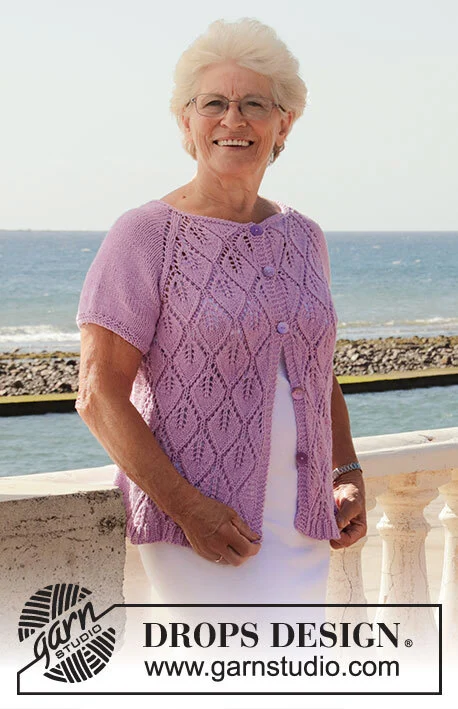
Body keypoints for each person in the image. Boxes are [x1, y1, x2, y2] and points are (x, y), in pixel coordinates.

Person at [75, 18, 366, 622]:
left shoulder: (304, 237)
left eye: (254, 104)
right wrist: (187, 508)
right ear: (186, 122)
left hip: (305, 522)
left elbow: (316, 372)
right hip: (203, 530)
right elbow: (98, 395)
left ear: (284, 122)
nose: (233, 120)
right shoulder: (146, 236)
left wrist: (346, 468)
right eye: (213, 104)